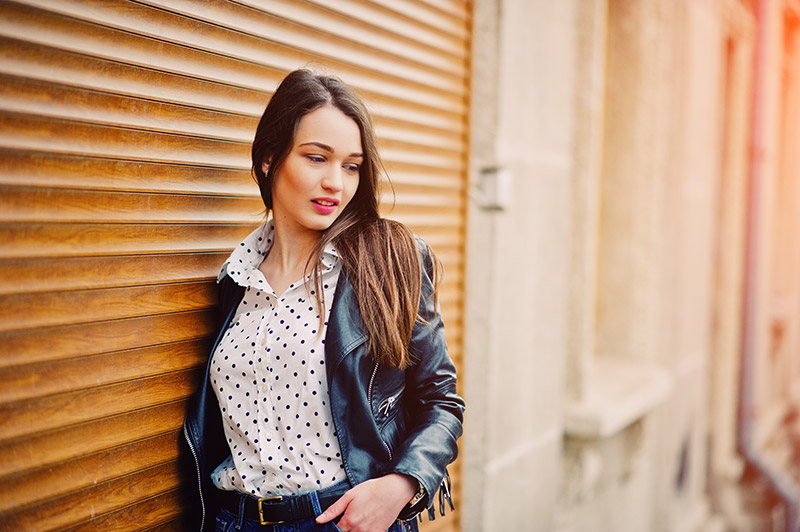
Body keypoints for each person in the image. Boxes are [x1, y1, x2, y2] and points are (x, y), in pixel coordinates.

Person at [182, 68, 465, 532]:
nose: (336, 181)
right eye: (317, 158)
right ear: (270, 158)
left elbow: (441, 399)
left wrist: (400, 485)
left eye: (351, 166)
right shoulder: (236, 281)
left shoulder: (388, 259)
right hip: (235, 520)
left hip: (342, 519)